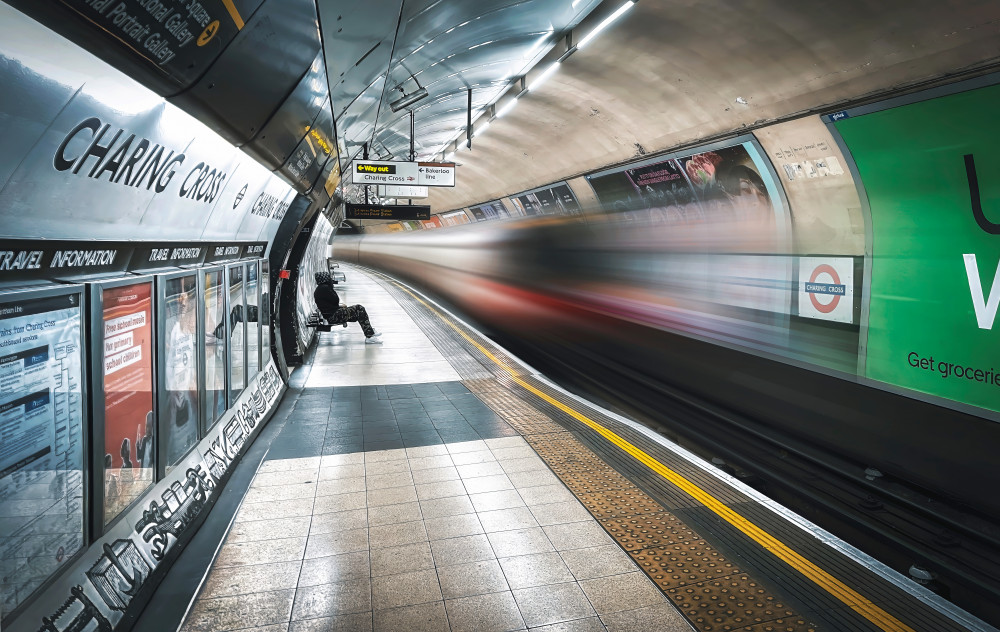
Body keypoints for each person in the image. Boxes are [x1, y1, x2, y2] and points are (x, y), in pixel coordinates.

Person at [314, 271, 382, 344]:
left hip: (332, 314)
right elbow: (335, 300)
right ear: (325, 278)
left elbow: (329, 305)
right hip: (333, 316)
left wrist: (340, 306)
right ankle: (369, 336)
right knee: (360, 309)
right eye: (328, 277)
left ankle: (369, 331)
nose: (330, 279)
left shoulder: (320, 289)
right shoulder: (325, 288)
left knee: (358, 311)